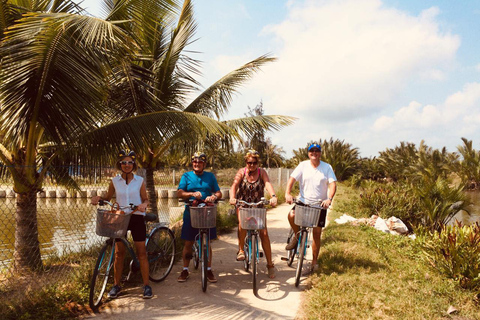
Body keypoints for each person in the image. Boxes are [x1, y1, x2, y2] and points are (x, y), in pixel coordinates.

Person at [91, 150, 152, 299]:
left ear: (133, 164)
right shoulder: (114, 181)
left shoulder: (139, 181)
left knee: (142, 253)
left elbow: (145, 199)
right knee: (119, 253)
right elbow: (108, 197)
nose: (126, 165)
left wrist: (144, 205)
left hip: (136, 217)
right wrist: (98, 198)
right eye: (123, 162)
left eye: (129, 162)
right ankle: (116, 285)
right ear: (120, 165)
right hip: (120, 218)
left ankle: (146, 285)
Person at [285, 143, 337, 273]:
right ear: (308, 153)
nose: (314, 153)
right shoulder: (303, 165)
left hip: (319, 204)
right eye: (311, 151)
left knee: (317, 233)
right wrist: (287, 193)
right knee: (291, 215)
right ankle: (297, 237)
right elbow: (292, 179)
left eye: (317, 151)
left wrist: (329, 199)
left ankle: (314, 262)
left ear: (320, 153)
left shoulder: (327, 167)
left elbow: (332, 184)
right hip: (303, 202)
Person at [229, 149, 278, 278]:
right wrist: (232, 197)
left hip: (258, 206)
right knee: (242, 224)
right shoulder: (241, 172)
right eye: (249, 162)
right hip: (243, 205)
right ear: (246, 162)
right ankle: (241, 250)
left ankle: (270, 265)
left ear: (257, 163)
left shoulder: (261, 172)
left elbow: (267, 184)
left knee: (264, 233)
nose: (252, 165)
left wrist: (273, 196)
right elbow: (234, 185)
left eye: (254, 162)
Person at [177, 152, 222, 283]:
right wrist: (191, 194)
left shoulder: (210, 176)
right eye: (195, 162)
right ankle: (185, 269)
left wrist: (214, 197)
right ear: (192, 163)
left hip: (207, 211)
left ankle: (208, 269)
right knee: (188, 241)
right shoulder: (186, 176)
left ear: (204, 164)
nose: (197, 164)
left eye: (200, 162)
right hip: (191, 210)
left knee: (207, 241)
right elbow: (179, 192)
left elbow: (218, 192)